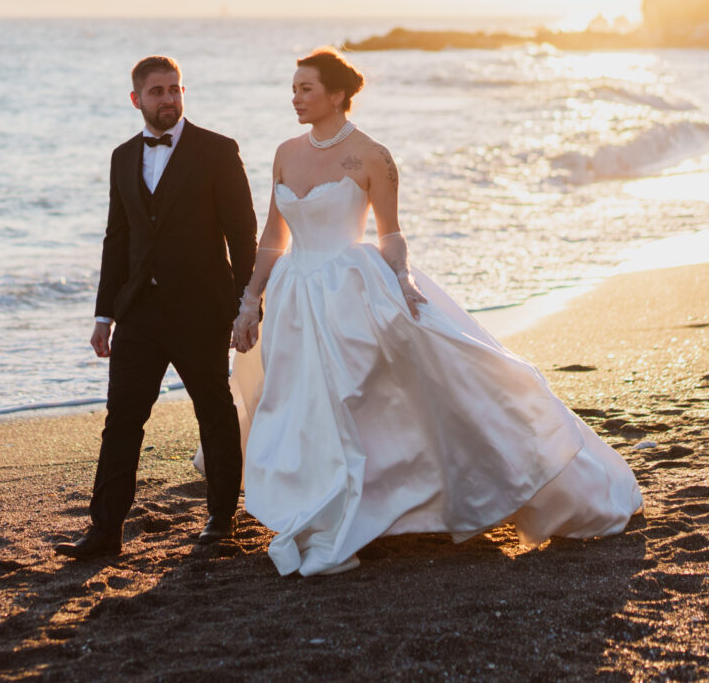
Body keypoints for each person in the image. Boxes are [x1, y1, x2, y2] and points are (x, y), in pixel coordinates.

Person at [229, 47, 643, 576]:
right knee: (303, 406)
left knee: (364, 400)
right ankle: (323, 508)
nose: (295, 97)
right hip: (294, 294)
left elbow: (391, 233)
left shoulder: (373, 156)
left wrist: (400, 280)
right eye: (293, 88)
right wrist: (250, 299)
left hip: (354, 289)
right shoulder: (285, 152)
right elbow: (272, 235)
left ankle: (371, 509)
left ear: (336, 95)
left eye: (305, 88)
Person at [56, 55, 257, 560]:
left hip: (201, 312)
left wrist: (243, 307)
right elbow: (116, 239)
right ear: (136, 100)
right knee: (122, 419)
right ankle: (104, 531)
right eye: (157, 92)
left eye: (175, 89)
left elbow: (242, 234)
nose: (168, 99)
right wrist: (104, 315)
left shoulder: (218, 150)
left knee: (213, 412)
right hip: (138, 314)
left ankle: (221, 519)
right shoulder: (123, 157)